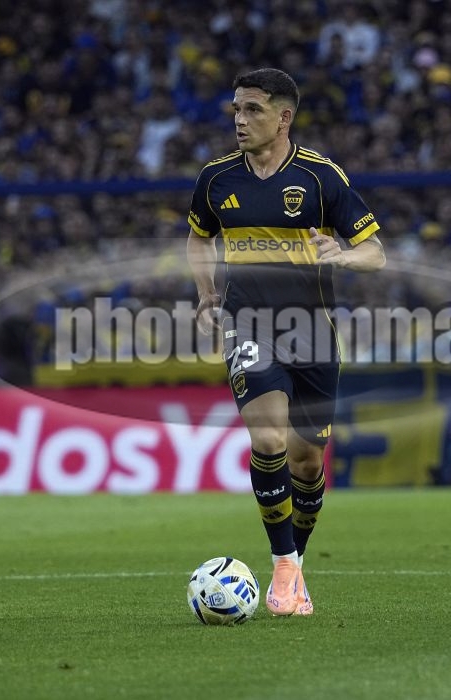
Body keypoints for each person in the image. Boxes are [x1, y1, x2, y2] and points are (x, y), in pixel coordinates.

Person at [187, 68, 385, 616]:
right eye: (236, 109)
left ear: (283, 117)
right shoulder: (216, 179)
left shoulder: (320, 178)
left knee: (307, 462)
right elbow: (198, 238)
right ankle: (282, 568)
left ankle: (296, 563)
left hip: (313, 333)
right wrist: (206, 294)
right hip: (248, 324)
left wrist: (344, 254)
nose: (240, 120)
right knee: (269, 439)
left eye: (252, 109)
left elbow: (376, 252)